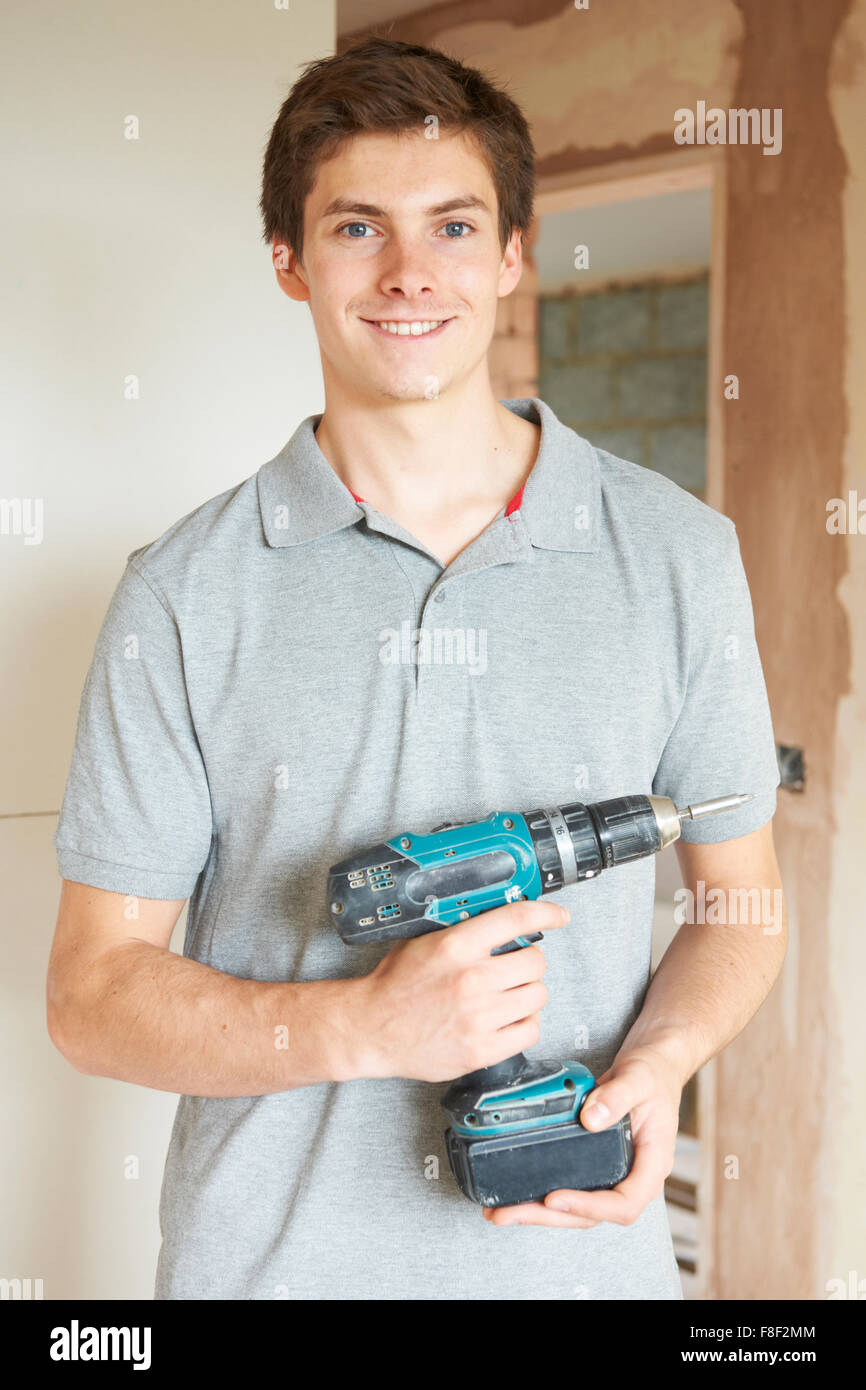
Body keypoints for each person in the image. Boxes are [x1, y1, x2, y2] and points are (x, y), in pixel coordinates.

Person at [46, 35, 785, 1300]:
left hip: (578, 1273)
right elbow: (92, 995)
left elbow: (740, 905)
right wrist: (362, 1027)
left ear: (509, 255)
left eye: (452, 226)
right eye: (354, 229)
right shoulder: (181, 592)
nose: (407, 273)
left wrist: (659, 1062)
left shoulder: (679, 556)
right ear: (288, 260)